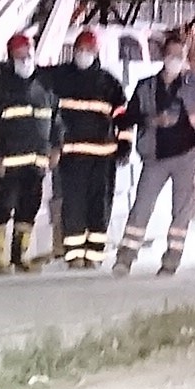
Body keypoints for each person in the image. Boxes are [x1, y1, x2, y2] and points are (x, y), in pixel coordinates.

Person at [115, 30, 195, 276]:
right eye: (172, 54)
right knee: (142, 206)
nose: (176, 59)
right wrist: (152, 120)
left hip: (188, 155)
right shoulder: (146, 87)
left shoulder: (193, 84)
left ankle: (171, 261)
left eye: (180, 55)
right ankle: (125, 258)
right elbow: (127, 117)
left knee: (182, 211)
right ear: (163, 56)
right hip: (155, 157)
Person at [40, 28, 131, 269]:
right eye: (79, 50)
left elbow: (123, 117)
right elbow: (36, 79)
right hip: (71, 158)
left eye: (88, 50)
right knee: (73, 207)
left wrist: (124, 146)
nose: (83, 54)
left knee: (99, 207)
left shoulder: (109, 83)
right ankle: (74, 256)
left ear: (96, 52)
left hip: (103, 159)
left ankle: (94, 256)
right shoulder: (61, 77)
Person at [0, 33, 58, 273]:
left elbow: (56, 119)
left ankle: (20, 257)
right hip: (8, 164)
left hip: (36, 163)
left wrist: (56, 147)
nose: (25, 61)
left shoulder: (45, 87)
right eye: (20, 56)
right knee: (2, 208)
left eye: (28, 55)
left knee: (28, 210)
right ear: (10, 58)